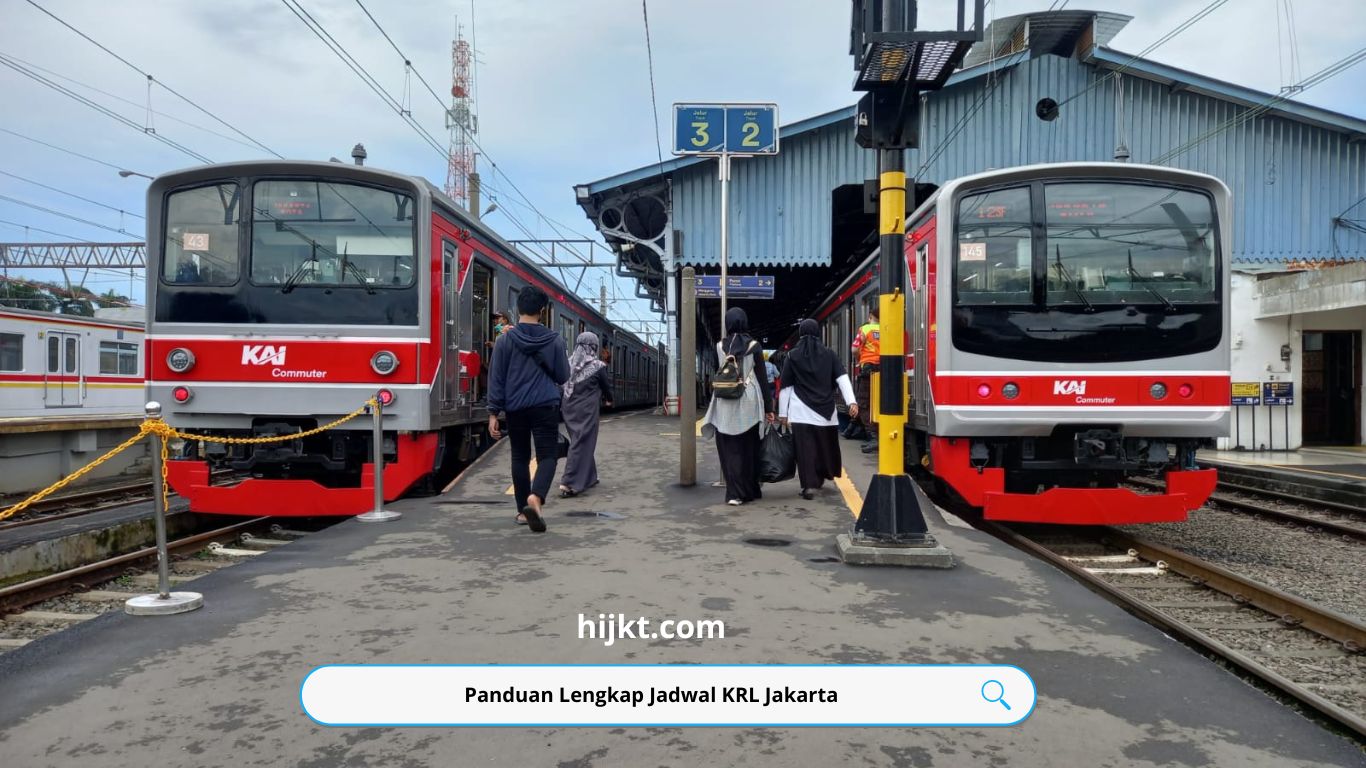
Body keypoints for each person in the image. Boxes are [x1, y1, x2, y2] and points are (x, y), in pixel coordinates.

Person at [486, 286, 569, 533]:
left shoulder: (504, 341)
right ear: (542, 312)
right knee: (548, 456)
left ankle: (523, 511)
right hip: (545, 405)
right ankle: (536, 497)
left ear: (518, 309)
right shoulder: (554, 340)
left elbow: (496, 378)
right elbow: (563, 376)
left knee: (520, 457)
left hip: (515, 407)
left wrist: (493, 412)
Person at [701, 307, 775, 506]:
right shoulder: (755, 346)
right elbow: (761, 378)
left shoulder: (719, 346)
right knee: (750, 448)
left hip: (725, 400)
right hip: (749, 400)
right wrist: (769, 408)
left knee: (729, 449)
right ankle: (750, 489)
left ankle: (734, 493)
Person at [779, 319, 858, 500]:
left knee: (805, 450)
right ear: (818, 333)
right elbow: (843, 379)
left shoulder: (792, 356)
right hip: (826, 412)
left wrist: (783, 413)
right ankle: (821, 477)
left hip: (800, 410)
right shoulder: (829, 354)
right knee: (824, 447)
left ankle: (809, 485)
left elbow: (786, 387)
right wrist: (851, 402)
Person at [559, 332, 613, 497]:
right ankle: (569, 482)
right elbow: (606, 387)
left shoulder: (567, 364)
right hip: (587, 411)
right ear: (594, 346)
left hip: (568, 409)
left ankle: (590, 477)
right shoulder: (598, 366)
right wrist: (609, 400)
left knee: (580, 441)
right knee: (581, 442)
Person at [850, 306, 880, 454]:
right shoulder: (889, 328)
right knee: (881, 404)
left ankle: (875, 438)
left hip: (868, 369)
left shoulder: (865, 329)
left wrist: (859, 359)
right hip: (887, 370)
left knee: (863, 404)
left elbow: (854, 349)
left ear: (870, 316)